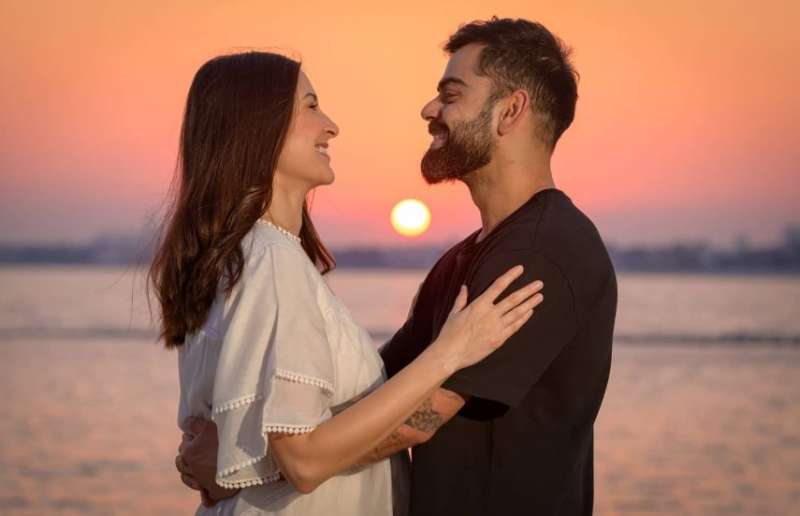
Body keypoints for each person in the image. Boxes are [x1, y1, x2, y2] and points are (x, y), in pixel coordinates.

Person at [179, 16, 618, 515]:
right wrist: (246, 447)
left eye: (451, 95)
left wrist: (243, 460)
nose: (429, 109)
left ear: (510, 111)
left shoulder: (540, 255)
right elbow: (378, 391)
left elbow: (415, 420)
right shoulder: (462, 258)